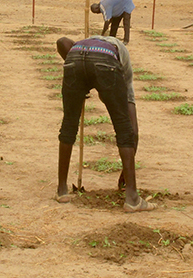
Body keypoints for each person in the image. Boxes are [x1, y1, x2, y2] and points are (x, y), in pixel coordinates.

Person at [54, 35, 154, 213]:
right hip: (104, 59)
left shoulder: (85, 42)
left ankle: (62, 190)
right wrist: (127, 173)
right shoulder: (124, 71)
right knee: (123, 127)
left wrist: (80, 78)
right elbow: (133, 130)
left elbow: (62, 42)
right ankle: (132, 198)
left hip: (74, 58)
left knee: (69, 124)